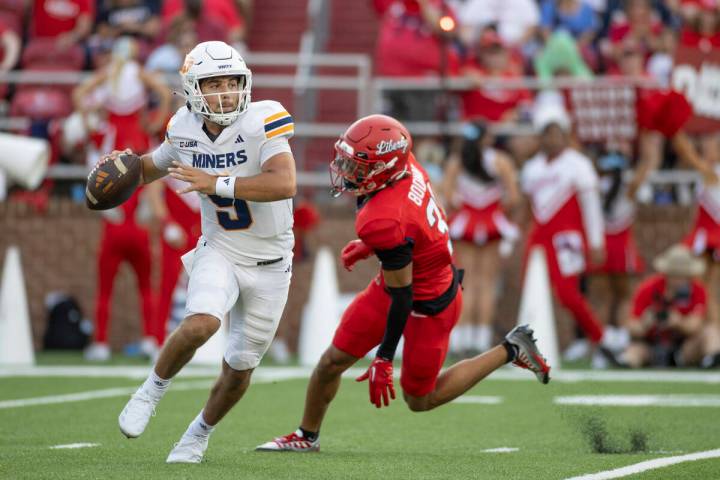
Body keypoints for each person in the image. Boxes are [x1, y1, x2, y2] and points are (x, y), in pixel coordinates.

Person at [255, 114, 549, 453]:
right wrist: (372, 248)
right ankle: (307, 436)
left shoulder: (383, 218)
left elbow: (404, 295)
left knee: (420, 399)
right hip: (403, 277)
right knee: (331, 361)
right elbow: (413, 230)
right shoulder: (402, 164)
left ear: (384, 168)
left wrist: (383, 356)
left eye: (358, 165)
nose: (347, 171)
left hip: (431, 302)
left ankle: (512, 348)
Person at [104, 41, 296, 463]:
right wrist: (123, 172)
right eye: (214, 84)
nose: (226, 92)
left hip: (271, 262)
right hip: (221, 249)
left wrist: (217, 183)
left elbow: (284, 184)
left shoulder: (261, 120)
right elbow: (153, 166)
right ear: (193, 89)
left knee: (240, 368)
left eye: (232, 82)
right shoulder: (183, 127)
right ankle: (151, 390)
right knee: (201, 324)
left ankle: (197, 434)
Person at [521, 103, 609, 360]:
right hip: (539, 237)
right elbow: (529, 207)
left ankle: (599, 340)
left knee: (569, 294)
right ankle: (530, 346)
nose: (553, 138)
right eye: (547, 133)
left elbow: (591, 206)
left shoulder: (578, 164)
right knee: (531, 288)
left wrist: (596, 240)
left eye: (557, 132)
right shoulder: (532, 167)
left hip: (567, 238)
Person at [441, 121, 520, 355]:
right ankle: (481, 338)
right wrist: (495, 210)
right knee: (486, 282)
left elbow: (448, 196)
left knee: (464, 281)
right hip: (492, 224)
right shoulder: (501, 161)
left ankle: (462, 337)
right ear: (487, 138)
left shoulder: (457, 161)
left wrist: (467, 208)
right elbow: (513, 197)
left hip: (464, 224)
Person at [619, 244, 720, 368]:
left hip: (682, 348)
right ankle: (626, 361)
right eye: (675, 274)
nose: (679, 279)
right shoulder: (648, 289)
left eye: (683, 274)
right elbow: (631, 326)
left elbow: (695, 325)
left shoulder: (698, 290)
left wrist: (678, 322)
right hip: (651, 345)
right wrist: (645, 323)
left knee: (711, 332)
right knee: (634, 352)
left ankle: (712, 359)